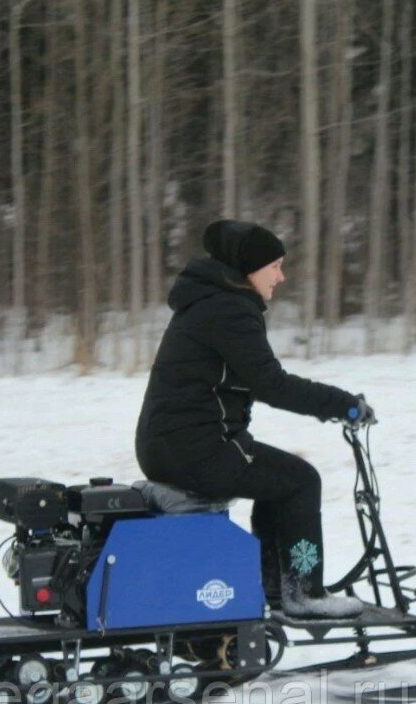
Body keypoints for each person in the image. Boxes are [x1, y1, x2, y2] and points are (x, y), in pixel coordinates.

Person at [135, 220, 375, 619]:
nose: (281, 277)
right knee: (301, 481)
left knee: (276, 481)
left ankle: (277, 591)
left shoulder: (206, 302)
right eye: (275, 266)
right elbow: (272, 385)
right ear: (249, 267)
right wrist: (343, 405)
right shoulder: (230, 308)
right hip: (196, 449)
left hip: (170, 446)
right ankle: (304, 594)